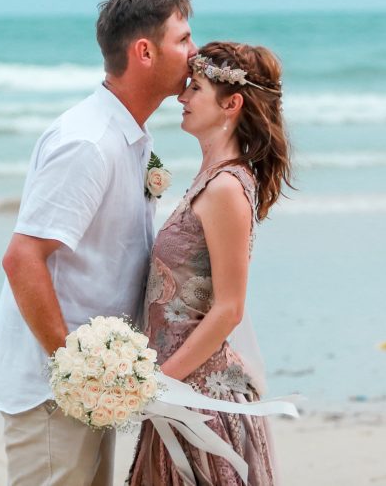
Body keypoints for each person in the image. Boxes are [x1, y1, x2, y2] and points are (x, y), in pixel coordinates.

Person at [0, 0, 197, 486]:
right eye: (184, 39)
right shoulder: (87, 142)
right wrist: (76, 371)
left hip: (93, 383)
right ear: (144, 51)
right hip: (54, 388)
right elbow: (22, 259)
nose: (195, 52)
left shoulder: (129, 134)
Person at [127, 41, 292, 486]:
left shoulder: (225, 189)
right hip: (179, 391)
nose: (181, 98)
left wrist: (158, 383)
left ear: (231, 104)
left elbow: (229, 309)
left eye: (194, 88)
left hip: (201, 397)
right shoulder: (211, 179)